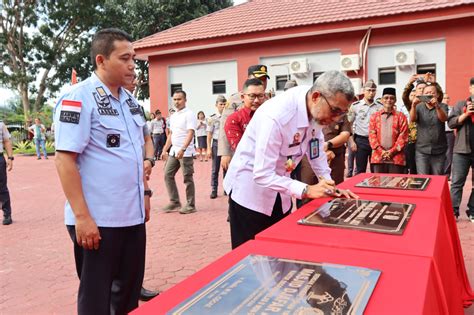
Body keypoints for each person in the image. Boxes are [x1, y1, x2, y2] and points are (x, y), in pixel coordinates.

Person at [53, 28, 149, 314]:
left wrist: (145, 192)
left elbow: (134, 154)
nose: (133, 64)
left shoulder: (131, 102)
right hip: (98, 221)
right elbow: (64, 160)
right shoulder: (78, 98)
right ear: (101, 60)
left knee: (128, 295)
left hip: (132, 217)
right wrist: (82, 217)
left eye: (134, 57)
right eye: (124, 58)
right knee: (96, 298)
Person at [223, 71, 358, 249]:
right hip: (251, 194)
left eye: (342, 113)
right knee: (251, 258)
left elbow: (315, 145)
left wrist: (328, 182)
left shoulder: (314, 106)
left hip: (282, 189)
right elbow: (262, 174)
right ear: (316, 97)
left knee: (279, 253)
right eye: (334, 111)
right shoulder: (277, 116)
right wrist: (307, 189)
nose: (335, 119)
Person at [123, 75, 159, 302]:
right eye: (131, 79)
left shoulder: (135, 107)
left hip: (137, 187)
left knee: (136, 248)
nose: (134, 83)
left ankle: (136, 286)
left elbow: (146, 139)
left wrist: (149, 159)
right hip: (112, 198)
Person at [217, 64, 270, 171]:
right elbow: (224, 125)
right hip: (237, 151)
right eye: (259, 78)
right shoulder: (235, 99)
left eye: (264, 79)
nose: (262, 82)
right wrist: (225, 153)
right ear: (249, 78)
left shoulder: (269, 99)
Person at [161, 90, 197, 214]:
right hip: (174, 150)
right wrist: (165, 149)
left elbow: (191, 132)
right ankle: (174, 202)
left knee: (187, 178)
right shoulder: (174, 115)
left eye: (179, 99)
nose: (177, 102)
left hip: (185, 152)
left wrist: (184, 148)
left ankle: (191, 205)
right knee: (167, 174)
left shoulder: (189, 114)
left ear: (185, 100)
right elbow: (171, 133)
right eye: (175, 99)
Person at [448, 77, 474, 222]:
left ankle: (473, 210)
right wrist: (465, 114)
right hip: (461, 151)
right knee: (457, 182)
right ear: (470, 88)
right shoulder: (460, 104)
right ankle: (453, 211)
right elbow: (451, 123)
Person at [410, 83, 448, 175]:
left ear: (437, 95)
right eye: (427, 92)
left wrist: (437, 106)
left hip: (439, 150)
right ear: (423, 95)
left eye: (432, 92)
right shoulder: (419, 106)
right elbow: (412, 119)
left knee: (437, 178)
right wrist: (413, 106)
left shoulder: (442, 106)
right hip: (422, 150)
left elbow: (444, 119)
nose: (429, 94)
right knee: (422, 178)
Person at [368, 87, 408, 174]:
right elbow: (372, 136)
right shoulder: (374, 116)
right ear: (382, 100)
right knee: (378, 184)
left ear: (395, 100)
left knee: (396, 184)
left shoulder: (401, 116)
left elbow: (403, 136)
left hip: (396, 158)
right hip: (378, 158)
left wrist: (391, 152)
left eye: (392, 98)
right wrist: (381, 152)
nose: (388, 100)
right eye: (386, 98)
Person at [347, 80, 383, 175]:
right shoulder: (356, 106)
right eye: (369, 90)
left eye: (373, 90)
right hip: (361, 141)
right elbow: (349, 124)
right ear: (363, 91)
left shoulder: (380, 107)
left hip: (376, 141)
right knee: (360, 170)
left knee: (376, 170)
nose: (371, 93)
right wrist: (351, 141)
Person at [224, 78, 265, 151]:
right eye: (252, 96)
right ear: (243, 97)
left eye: (260, 96)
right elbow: (241, 149)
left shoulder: (271, 116)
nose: (256, 100)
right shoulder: (234, 119)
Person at [206, 95, 226, 199]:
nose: (222, 106)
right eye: (220, 104)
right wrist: (208, 148)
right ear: (216, 105)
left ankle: (226, 188)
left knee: (226, 167)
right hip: (216, 144)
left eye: (224, 104)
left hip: (226, 145)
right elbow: (209, 135)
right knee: (215, 168)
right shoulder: (212, 118)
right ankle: (214, 189)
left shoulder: (228, 116)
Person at [0, 121, 13, 225]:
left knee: (2, 187)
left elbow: (7, 141)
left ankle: (7, 214)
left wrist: (10, 157)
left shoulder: (1, 124)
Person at [443, 93, 455, 179]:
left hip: (449, 133)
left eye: (447, 98)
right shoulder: (438, 108)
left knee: (449, 154)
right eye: (444, 98)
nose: (446, 99)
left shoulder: (452, 109)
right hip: (440, 133)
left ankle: (446, 175)